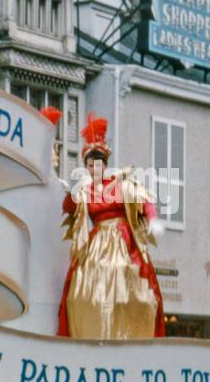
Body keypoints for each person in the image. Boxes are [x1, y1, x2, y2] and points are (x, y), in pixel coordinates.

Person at [58, 114, 165, 340]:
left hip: (123, 243)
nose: (94, 168)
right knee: (82, 293)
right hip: (95, 246)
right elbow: (68, 208)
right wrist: (72, 191)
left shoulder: (122, 184)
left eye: (98, 164)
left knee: (130, 290)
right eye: (89, 165)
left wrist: (152, 219)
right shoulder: (85, 190)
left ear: (104, 165)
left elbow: (144, 201)